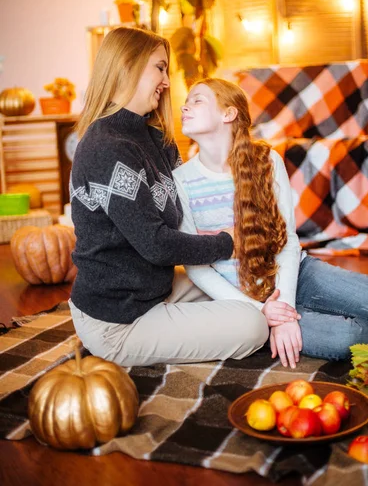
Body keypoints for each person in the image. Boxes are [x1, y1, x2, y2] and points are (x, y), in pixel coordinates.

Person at [69, 27, 285, 368]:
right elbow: (156, 245)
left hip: (157, 289)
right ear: (129, 65)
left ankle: (283, 316)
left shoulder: (156, 139)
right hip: (120, 318)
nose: (167, 81)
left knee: (242, 287)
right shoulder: (105, 146)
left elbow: (179, 220)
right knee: (253, 324)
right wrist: (228, 241)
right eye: (160, 67)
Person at [173, 78, 368, 369]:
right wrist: (265, 313)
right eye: (187, 101)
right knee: (348, 336)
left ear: (228, 114)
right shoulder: (180, 180)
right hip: (247, 307)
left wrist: (285, 307)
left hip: (297, 276)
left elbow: (287, 242)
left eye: (197, 100)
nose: (184, 106)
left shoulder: (268, 161)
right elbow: (196, 267)